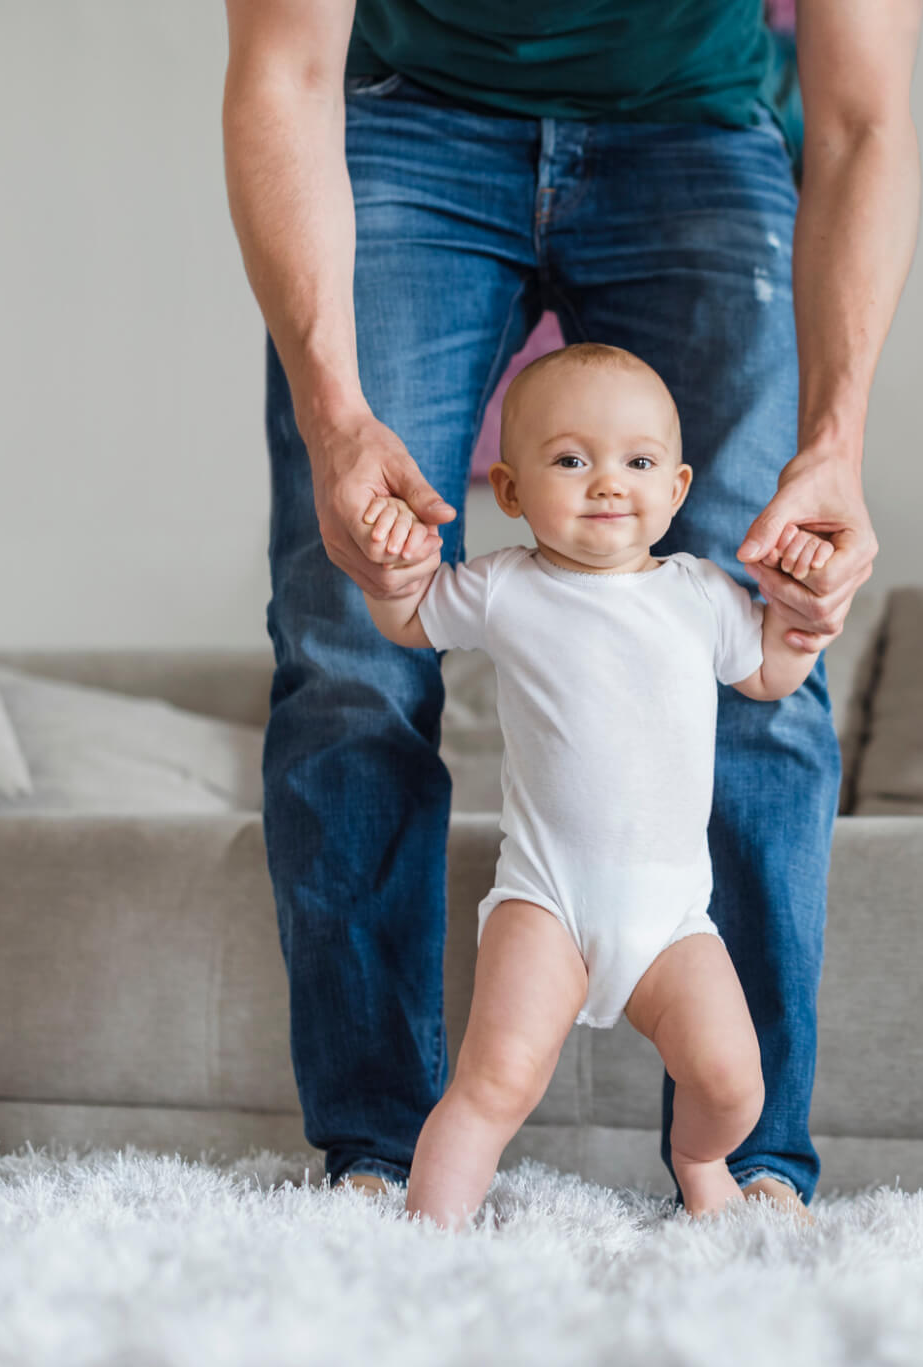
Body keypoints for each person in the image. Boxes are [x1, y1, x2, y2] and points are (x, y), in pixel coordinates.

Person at [219, 0, 922, 1223]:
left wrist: (836, 442)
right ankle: (379, 1165)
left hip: (700, 132)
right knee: (346, 653)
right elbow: (283, 71)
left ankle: (752, 1171)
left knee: (772, 621)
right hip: (406, 124)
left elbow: (862, 122)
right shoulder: (493, 585)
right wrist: (337, 417)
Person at [359, 343, 829, 1229]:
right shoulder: (505, 586)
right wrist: (392, 562)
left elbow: (767, 672)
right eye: (572, 460)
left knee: (733, 1081)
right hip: (548, 904)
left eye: (638, 462)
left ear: (679, 488)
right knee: (494, 1081)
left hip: (671, 920)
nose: (608, 482)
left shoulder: (700, 593)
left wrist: (802, 622)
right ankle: (425, 1240)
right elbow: (410, 618)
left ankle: (699, 1159)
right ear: (509, 492)